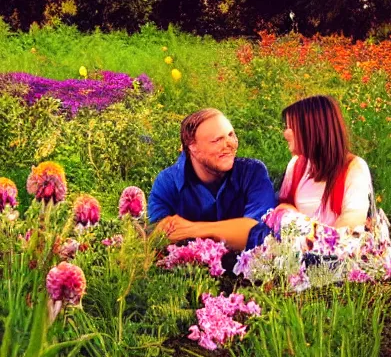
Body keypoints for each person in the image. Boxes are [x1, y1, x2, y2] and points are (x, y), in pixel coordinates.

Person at [148, 108, 276, 250]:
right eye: (217, 140)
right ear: (192, 147)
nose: (230, 144)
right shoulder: (167, 182)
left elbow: (260, 233)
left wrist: (192, 230)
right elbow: (159, 237)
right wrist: (235, 231)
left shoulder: (252, 172)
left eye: (231, 135)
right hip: (190, 270)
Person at [276, 95, 372, 229]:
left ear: (311, 130)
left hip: (336, 248)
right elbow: (283, 207)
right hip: (298, 248)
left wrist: (311, 236)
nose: (285, 133)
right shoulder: (296, 165)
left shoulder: (354, 167)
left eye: (290, 127)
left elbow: (351, 224)